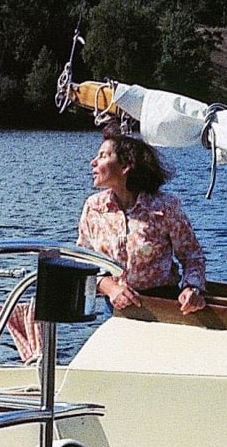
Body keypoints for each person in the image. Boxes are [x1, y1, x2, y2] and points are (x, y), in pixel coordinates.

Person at [76, 131, 207, 314]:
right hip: (115, 307)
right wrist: (110, 288)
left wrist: (191, 288)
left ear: (126, 166)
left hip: (164, 306)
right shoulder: (94, 207)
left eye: (103, 156)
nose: (93, 162)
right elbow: (82, 260)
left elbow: (192, 256)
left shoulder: (165, 207)